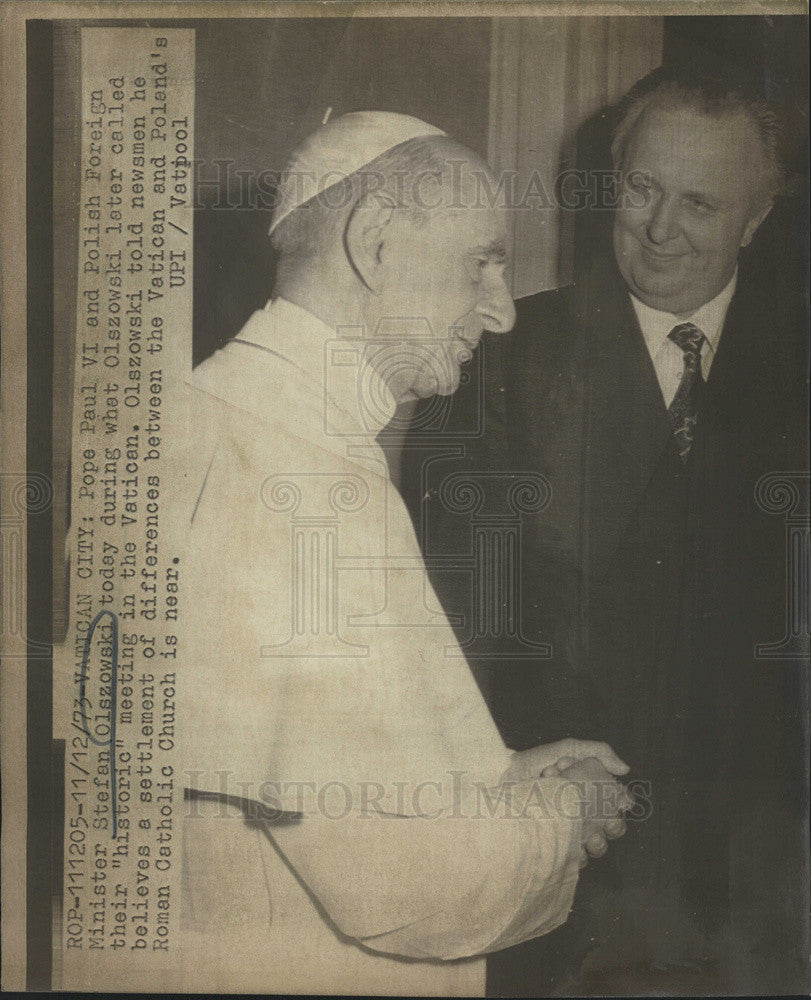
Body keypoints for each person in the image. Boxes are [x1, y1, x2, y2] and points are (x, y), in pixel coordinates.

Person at [170, 111, 633, 995]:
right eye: (482, 263)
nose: (500, 313)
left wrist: (494, 782)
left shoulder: (234, 426)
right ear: (375, 243)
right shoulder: (299, 477)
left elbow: (324, 787)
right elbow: (406, 882)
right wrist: (563, 817)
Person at [402, 67, 808, 995]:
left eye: (700, 203)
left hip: (766, 891)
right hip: (563, 872)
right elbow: (450, 634)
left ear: (754, 220)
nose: (660, 229)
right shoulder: (491, 359)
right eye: (640, 189)